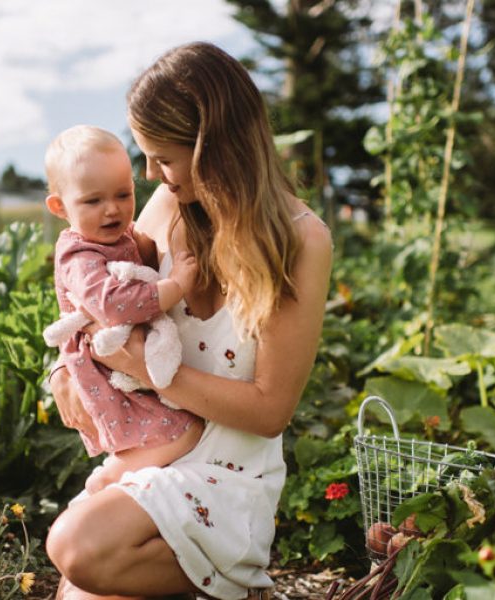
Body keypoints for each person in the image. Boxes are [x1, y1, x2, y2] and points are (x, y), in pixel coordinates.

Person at [44, 42, 332, 600]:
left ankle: (234, 580)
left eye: (164, 157)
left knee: (78, 547)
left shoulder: (300, 240)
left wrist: (152, 372)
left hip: (228, 473)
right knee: (80, 584)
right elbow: (95, 294)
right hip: (156, 451)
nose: (151, 173)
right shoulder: (167, 208)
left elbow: (271, 410)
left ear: (216, 148)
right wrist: (61, 367)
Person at [42, 125, 205, 494]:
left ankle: (132, 481)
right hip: (106, 365)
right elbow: (113, 306)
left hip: (126, 360)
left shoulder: (119, 233)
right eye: (92, 201)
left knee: (169, 431)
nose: (112, 209)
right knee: (179, 431)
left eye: (123, 193)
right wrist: (175, 285)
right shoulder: (78, 254)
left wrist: (144, 248)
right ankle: (111, 477)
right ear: (59, 207)